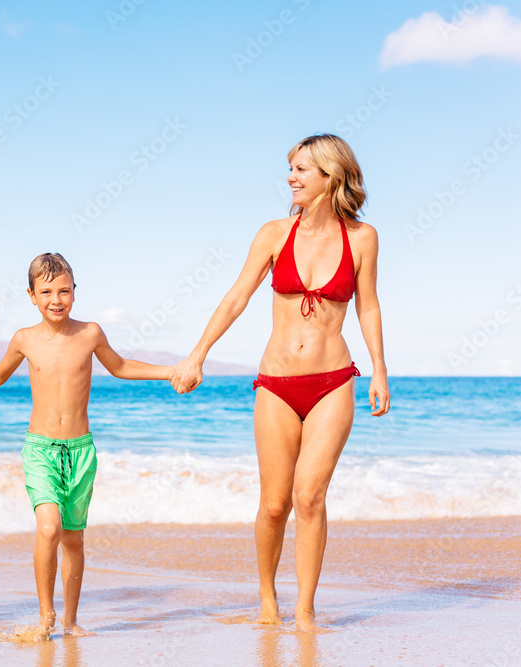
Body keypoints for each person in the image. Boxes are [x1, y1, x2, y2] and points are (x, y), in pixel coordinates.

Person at [170, 134, 391, 632]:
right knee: (275, 504)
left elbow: (368, 305)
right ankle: (267, 596)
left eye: (301, 169)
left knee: (310, 495)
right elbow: (235, 298)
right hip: (276, 384)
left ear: (330, 177)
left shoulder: (363, 237)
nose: (291, 177)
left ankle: (305, 609)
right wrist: (196, 355)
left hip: (333, 381)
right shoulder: (273, 233)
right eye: (290, 168)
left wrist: (379, 369)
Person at [0, 253, 173, 641]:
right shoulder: (25, 338)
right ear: (31, 296)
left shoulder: (90, 334)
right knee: (48, 527)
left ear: (74, 292)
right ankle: (45, 615)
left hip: (81, 451)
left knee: (73, 537)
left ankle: (70, 620)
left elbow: (120, 366)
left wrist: (170, 371)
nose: (56, 299)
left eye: (64, 290)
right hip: (40, 449)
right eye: (47, 291)